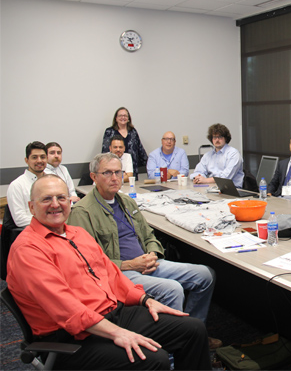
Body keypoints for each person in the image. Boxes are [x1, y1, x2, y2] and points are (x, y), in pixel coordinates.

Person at [7, 175, 211, 370]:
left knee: (193, 329)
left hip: (109, 314)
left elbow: (111, 274)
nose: (55, 204)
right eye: (46, 199)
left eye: (61, 197)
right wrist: (117, 333)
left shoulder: (77, 233)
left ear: (69, 201)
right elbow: (66, 309)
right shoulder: (28, 249)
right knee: (154, 359)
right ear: (31, 207)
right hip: (70, 336)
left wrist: (145, 299)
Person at [68, 153, 221, 349]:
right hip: (120, 273)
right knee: (172, 289)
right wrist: (130, 264)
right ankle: (173, 350)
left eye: (118, 172)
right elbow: (89, 265)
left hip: (147, 264)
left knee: (205, 275)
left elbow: (149, 235)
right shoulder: (83, 212)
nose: (114, 178)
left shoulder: (126, 202)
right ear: (94, 177)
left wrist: (152, 253)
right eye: (107, 173)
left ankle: (194, 332)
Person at [6, 141, 47, 227]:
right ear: (26, 160)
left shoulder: (53, 182)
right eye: (34, 157)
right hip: (32, 233)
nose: (39, 160)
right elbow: (20, 220)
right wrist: (48, 220)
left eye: (42, 157)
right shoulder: (17, 185)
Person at [190, 123, 244, 188]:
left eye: (220, 137)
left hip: (231, 189)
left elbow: (225, 177)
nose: (217, 140)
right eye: (215, 137)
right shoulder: (208, 155)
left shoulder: (233, 154)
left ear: (226, 138)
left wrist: (206, 180)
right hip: (211, 188)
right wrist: (198, 178)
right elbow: (198, 171)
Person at [102, 107, 147, 178]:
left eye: (125, 116)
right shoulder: (109, 132)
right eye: (120, 115)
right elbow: (105, 152)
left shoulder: (133, 131)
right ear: (116, 118)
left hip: (132, 168)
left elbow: (140, 148)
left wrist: (148, 163)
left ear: (128, 118)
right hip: (114, 168)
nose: (123, 117)